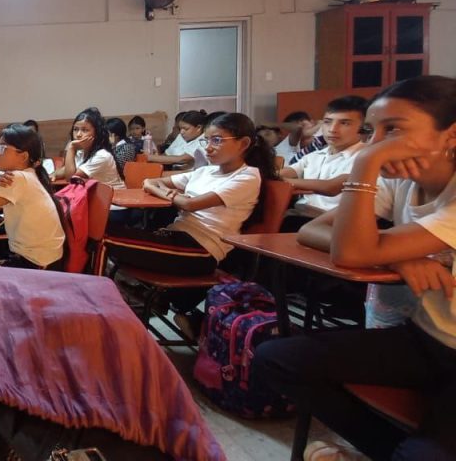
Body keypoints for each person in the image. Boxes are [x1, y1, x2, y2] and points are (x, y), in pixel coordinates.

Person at [256, 75, 456, 461]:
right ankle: (385, 451)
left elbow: (349, 251)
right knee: (276, 359)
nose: (376, 142)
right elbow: (312, 230)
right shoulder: (403, 181)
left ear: (451, 135)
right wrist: (393, 254)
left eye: (393, 129)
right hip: (427, 339)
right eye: (372, 131)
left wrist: (364, 161)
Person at [106, 113, 276, 325]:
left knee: (106, 236)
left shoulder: (247, 176)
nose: (208, 148)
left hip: (200, 250)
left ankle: (137, 303)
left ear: (243, 143)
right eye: (206, 140)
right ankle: (143, 299)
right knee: (103, 232)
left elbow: (190, 205)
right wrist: (172, 194)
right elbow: (150, 181)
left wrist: (172, 195)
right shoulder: (205, 171)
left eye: (217, 140)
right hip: (176, 237)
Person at [0, 124, 65, 269]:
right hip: (41, 257)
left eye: (2, 148)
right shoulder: (27, 174)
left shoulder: (18, 178)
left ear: (23, 156)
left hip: (36, 262)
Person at [278, 95, 367, 233]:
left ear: (364, 128)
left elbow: (330, 187)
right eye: (327, 122)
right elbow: (284, 173)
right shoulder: (315, 156)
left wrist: (281, 180)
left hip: (336, 223)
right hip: (302, 214)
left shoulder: (366, 157)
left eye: (344, 123)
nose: (332, 129)